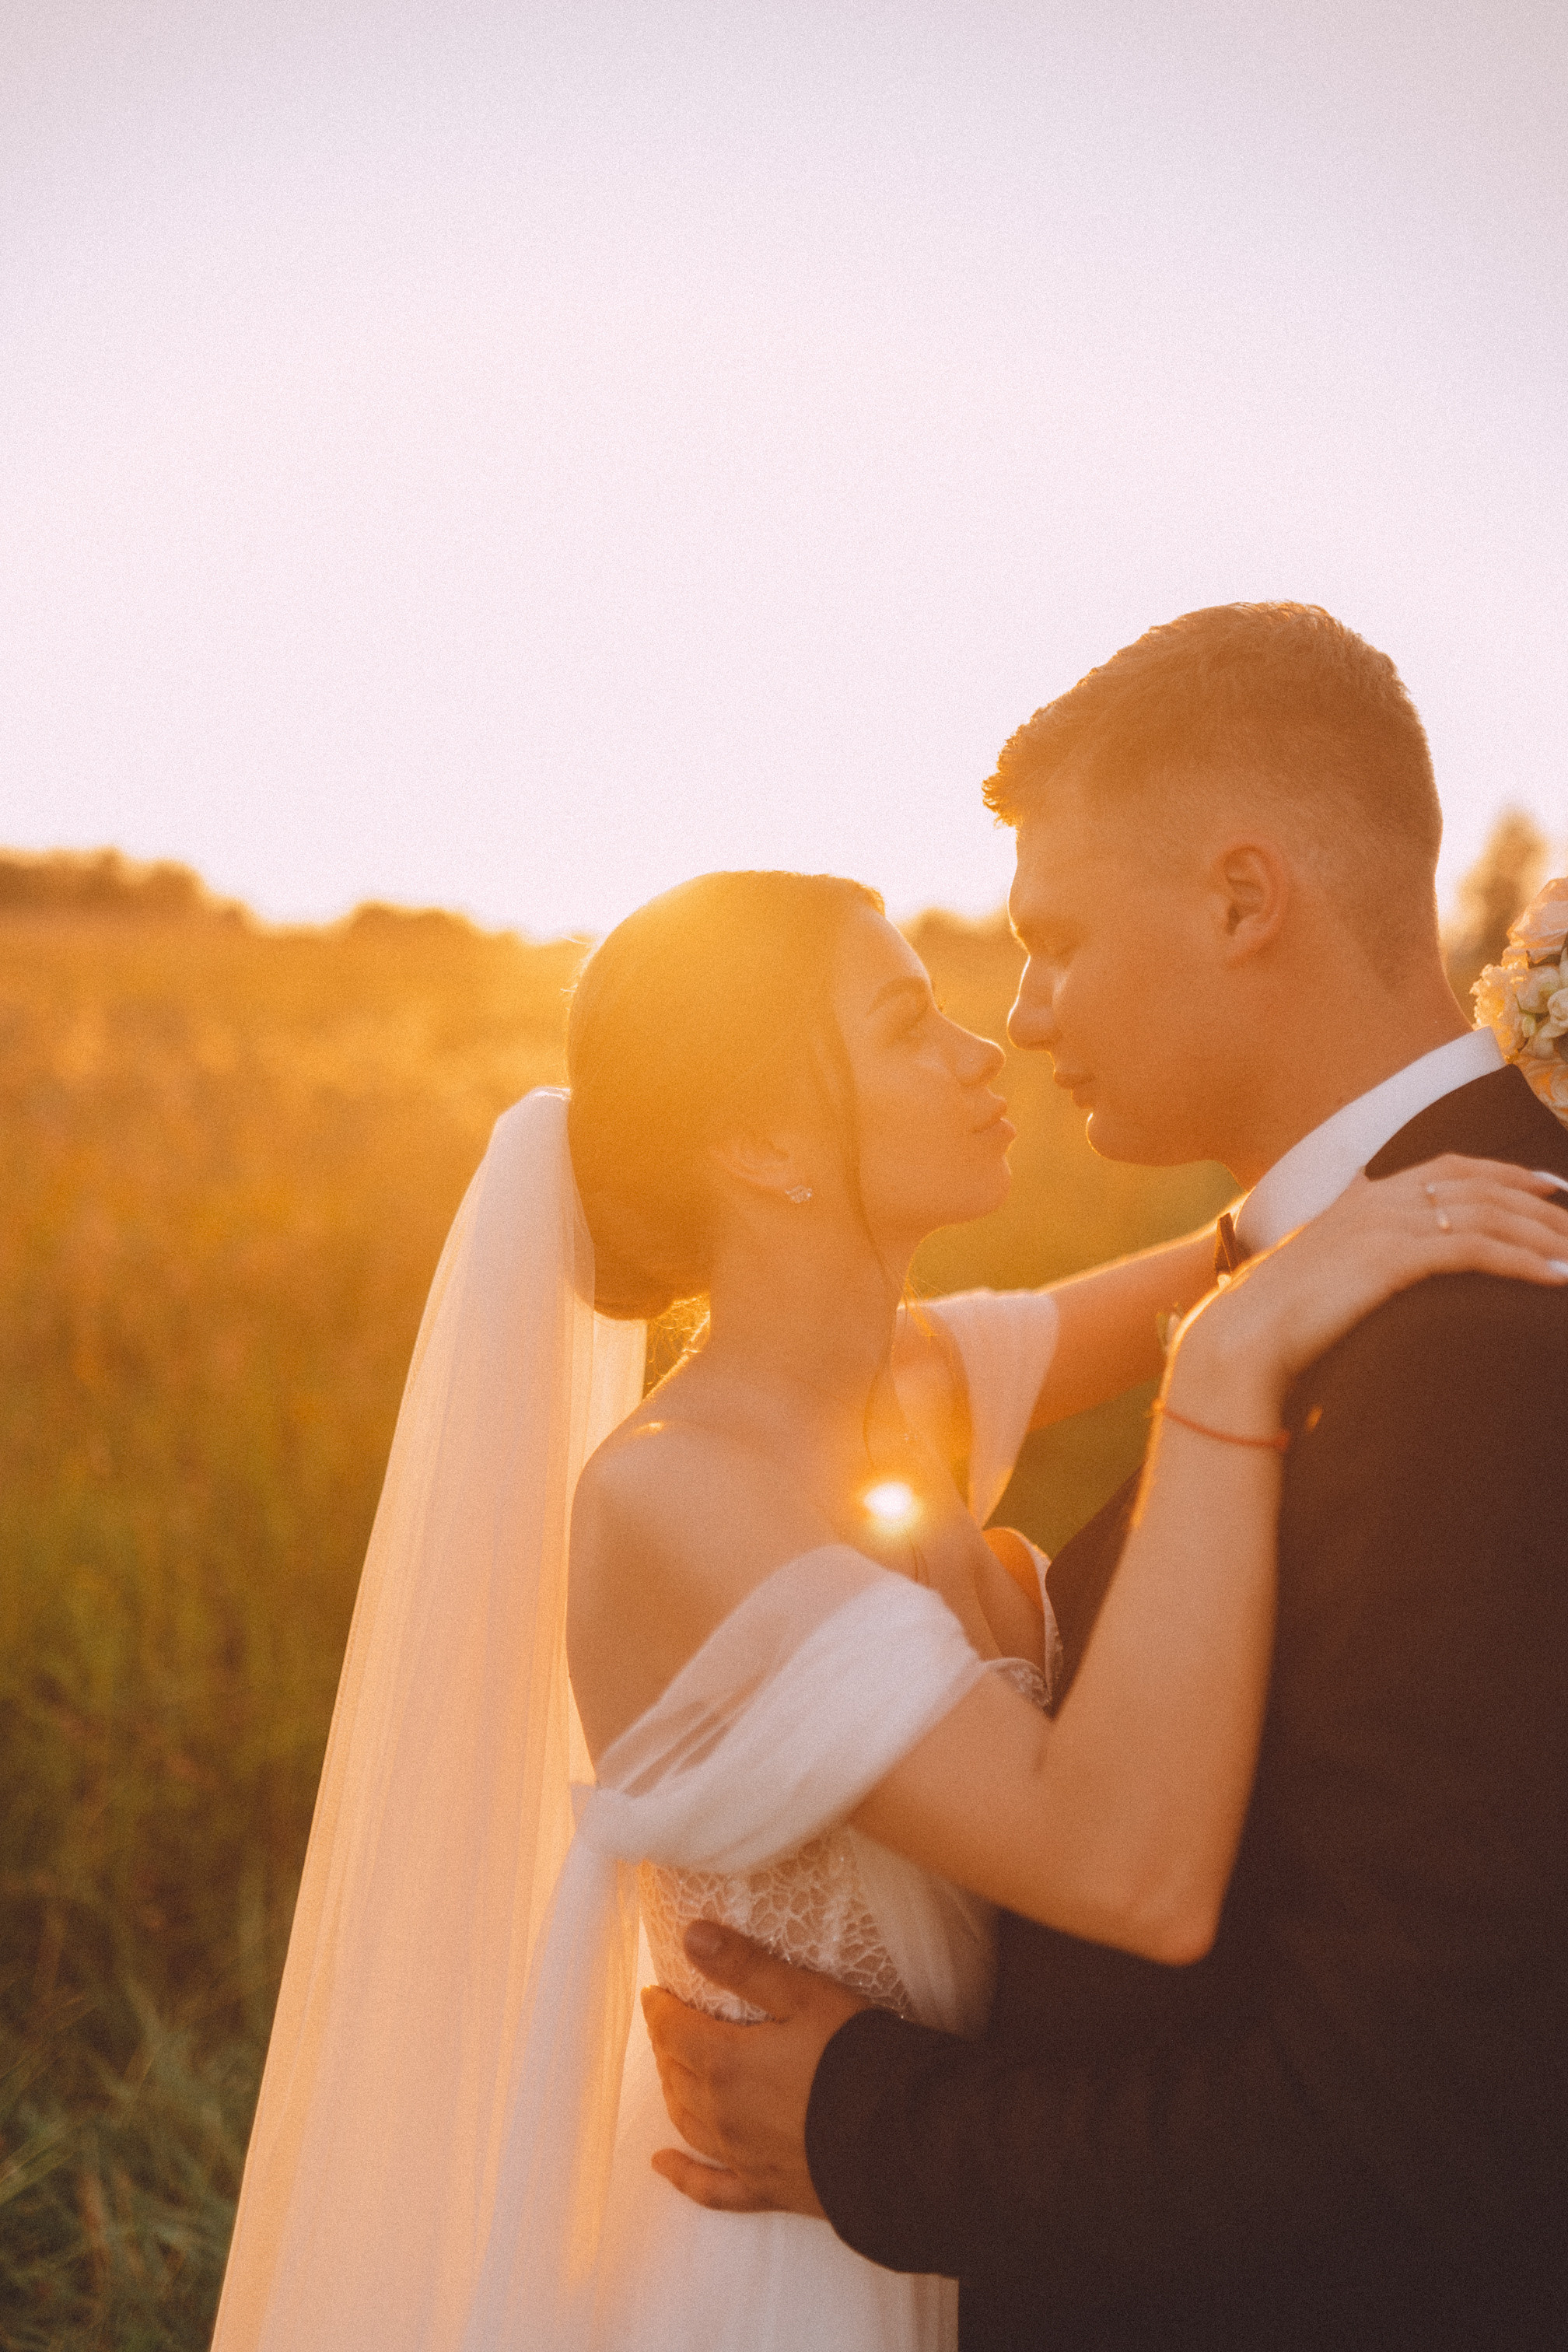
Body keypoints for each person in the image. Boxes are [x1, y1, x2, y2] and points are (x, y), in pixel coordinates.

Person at [210, 854, 1568, 2352]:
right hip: (793, 2262)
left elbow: (1274, 1226)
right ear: (762, 1143)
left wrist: (1527, 1062)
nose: (985, 1050)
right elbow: (1124, 1868)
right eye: (905, 1023)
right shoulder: (678, 1495)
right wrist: (1226, 1370)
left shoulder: (914, 1378)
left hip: (985, 2204)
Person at [643, 607, 1568, 2350]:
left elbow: (1423, 2121)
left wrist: (867, 2129)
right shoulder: (1351, 1251)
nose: (1023, 1016)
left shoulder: (1474, 1336)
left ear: (1241, 901)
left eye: (1052, 940)